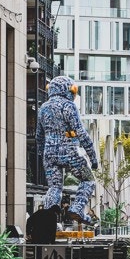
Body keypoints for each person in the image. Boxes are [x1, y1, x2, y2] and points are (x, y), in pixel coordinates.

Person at [36, 76, 99, 225]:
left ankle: (49, 218)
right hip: (69, 151)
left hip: (49, 153)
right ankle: (77, 208)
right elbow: (81, 133)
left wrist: (42, 155)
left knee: (54, 187)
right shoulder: (68, 106)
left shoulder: (43, 108)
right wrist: (93, 157)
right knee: (88, 179)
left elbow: (39, 137)